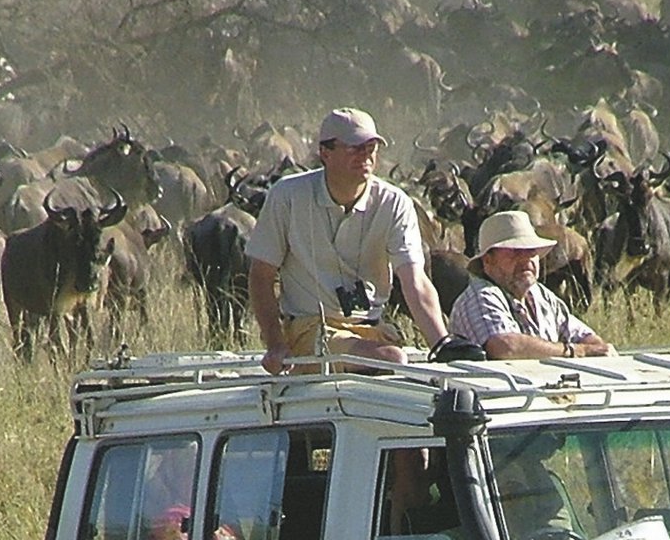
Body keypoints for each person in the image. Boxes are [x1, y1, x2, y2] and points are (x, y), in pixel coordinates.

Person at [248, 106, 475, 374]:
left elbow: (414, 281)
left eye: (371, 148)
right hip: (311, 329)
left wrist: (442, 343)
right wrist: (276, 344)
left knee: (414, 359)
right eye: (355, 148)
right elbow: (261, 276)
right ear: (325, 152)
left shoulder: (394, 202)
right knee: (390, 358)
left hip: (371, 330)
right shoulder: (287, 196)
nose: (365, 156)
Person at [449, 210, 614, 360]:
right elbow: (505, 346)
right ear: (488, 261)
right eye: (514, 252)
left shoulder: (540, 295)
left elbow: (585, 337)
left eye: (532, 252)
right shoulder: (480, 296)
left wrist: (596, 348)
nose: (526, 260)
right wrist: (575, 351)